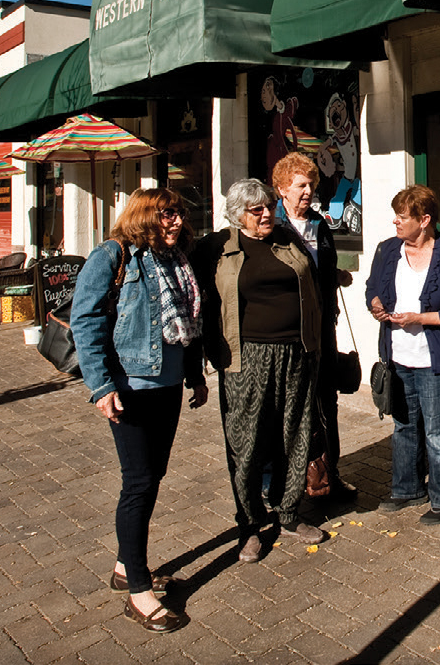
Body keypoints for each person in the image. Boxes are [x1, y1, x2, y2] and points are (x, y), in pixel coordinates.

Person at [71, 188, 207, 633]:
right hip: (129, 386)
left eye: (179, 215)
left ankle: (125, 566)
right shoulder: (113, 256)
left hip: (167, 385)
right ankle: (139, 594)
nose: (176, 222)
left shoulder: (175, 259)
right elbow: (85, 320)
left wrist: (195, 375)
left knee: (155, 475)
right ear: (144, 216)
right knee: (139, 481)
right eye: (167, 215)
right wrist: (101, 387)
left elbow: (187, 322)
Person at [193, 178, 325, 558]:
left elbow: (314, 281)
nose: (267, 213)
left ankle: (288, 512)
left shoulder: (287, 238)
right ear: (238, 215)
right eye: (257, 210)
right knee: (246, 442)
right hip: (244, 356)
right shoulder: (216, 247)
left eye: (269, 206)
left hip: (297, 353)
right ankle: (249, 524)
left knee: (293, 433)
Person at [366, 185, 440, 524]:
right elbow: (373, 288)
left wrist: (420, 319)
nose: (396, 223)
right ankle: (407, 489)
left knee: (439, 432)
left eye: (403, 217)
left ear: (425, 220)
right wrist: (375, 306)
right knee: (404, 427)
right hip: (399, 357)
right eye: (396, 216)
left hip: (435, 361)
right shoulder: (388, 251)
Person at [272, 151, 357, 499]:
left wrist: (335, 277)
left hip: (322, 326)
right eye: (300, 186)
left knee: (327, 402)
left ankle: (328, 474)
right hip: (288, 331)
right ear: (281, 189)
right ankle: (289, 484)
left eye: (311, 185)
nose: (307, 191)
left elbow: (323, 267)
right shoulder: (272, 227)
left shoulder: (320, 225)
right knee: (290, 406)